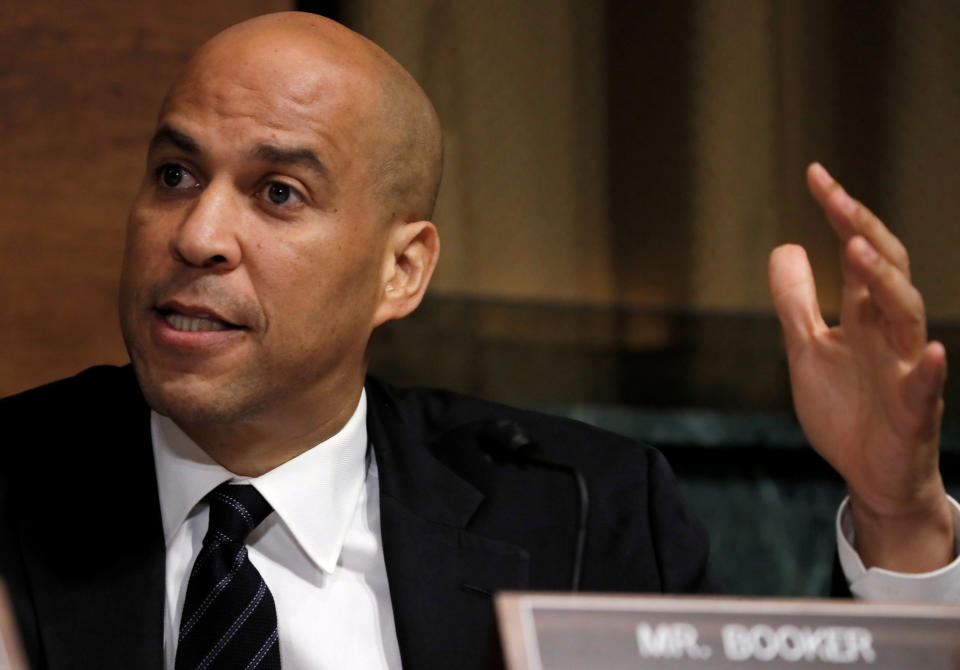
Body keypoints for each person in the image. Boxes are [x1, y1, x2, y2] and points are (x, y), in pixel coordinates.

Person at [0, 10, 956, 670]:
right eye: (174, 174)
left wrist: (898, 514)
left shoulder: (582, 516)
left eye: (278, 193)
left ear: (401, 272)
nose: (198, 235)